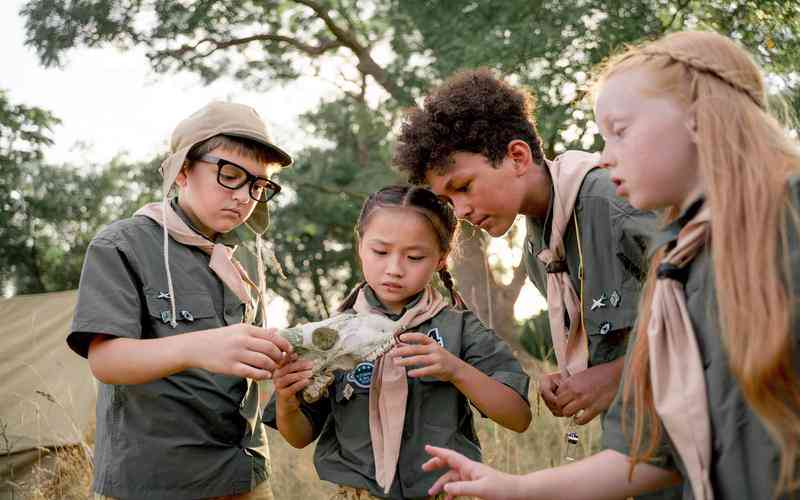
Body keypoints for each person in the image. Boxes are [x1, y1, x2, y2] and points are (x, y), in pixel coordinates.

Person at [421, 30, 800, 500]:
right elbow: (653, 453)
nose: (605, 155)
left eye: (619, 131)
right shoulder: (567, 253)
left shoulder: (629, 208)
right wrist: (512, 484)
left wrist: (616, 375)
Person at [394, 68, 658, 428]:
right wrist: (572, 374)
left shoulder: (614, 202)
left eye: (464, 186)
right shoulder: (541, 253)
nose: (460, 211)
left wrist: (619, 375)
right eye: (447, 200)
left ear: (517, 157)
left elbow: (725, 307)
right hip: (638, 444)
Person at [67, 101, 295, 499]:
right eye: (230, 175)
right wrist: (198, 347)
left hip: (244, 474)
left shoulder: (237, 263)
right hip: (157, 480)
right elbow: (105, 360)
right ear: (184, 170)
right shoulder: (123, 245)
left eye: (258, 186)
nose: (244, 197)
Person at [264, 185, 532, 499]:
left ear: (441, 259)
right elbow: (298, 436)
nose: (394, 269)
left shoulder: (460, 328)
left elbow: (518, 417)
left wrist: (455, 370)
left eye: (414, 256)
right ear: (361, 245)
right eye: (380, 252)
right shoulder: (331, 336)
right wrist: (286, 400)